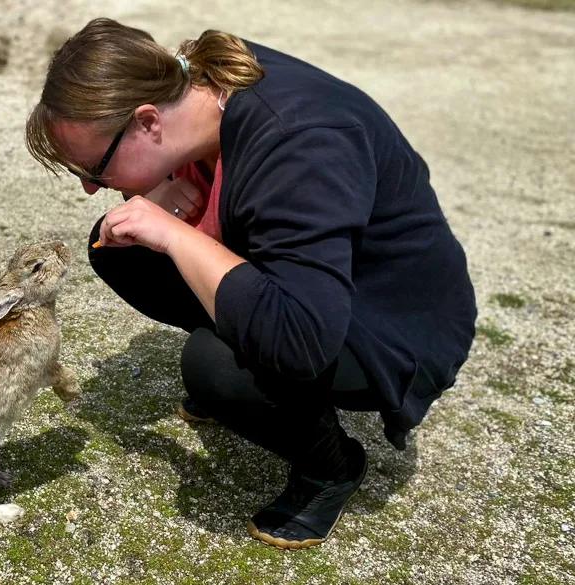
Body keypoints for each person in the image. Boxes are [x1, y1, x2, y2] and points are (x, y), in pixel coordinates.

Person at [24, 18, 477, 550]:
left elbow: (301, 340)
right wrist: (165, 204)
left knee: (214, 364)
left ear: (148, 121)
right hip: (314, 281)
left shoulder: (301, 143)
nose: (88, 187)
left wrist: (172, 232)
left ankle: (330, 468)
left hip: (390, 319)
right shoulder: (199, 85)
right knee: (117, 245)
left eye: (95, 169)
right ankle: (249, 353)